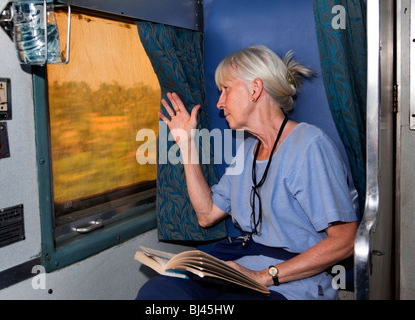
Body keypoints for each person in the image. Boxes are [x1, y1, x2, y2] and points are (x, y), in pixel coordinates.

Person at [136, 45, 358, 300]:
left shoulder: (309, 145)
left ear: (255, 89)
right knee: (158, 292)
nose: (219, 103)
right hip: (238, 263)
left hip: (291, 278)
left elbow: (345, 240)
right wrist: (186, 145)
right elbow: (206, 215)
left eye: (225, 90)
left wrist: (264, 275)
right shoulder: (247, 151)